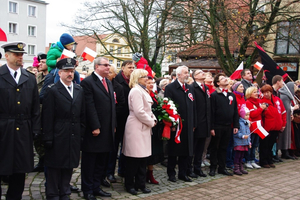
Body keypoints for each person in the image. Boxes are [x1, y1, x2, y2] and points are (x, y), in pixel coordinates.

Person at [0, 42, 40, 199]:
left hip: (23, 129)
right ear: (7, 56)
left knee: (19, 169)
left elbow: (35, 107)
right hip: (3, 128)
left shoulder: (29, 78)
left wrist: (35, 129)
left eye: (22, 54)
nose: (20, 57)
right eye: (17, 54)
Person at [42, 58, 85, 200]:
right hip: (58, 132)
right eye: (66, 71)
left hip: (74, 132)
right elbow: (47, 116)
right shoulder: (52, 90)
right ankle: (53, 193)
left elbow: (83, 114)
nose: (70, 74)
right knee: (55, 165)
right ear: (59, 73)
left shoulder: (79, 89)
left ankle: (65, 191)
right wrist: (47, 137)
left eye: (72, 71)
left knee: (69, 164)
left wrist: (81, 133)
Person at [80, 57, 116, 200]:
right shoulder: (88, 82)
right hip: (94, 130)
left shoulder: (107, 82)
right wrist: (95, 126)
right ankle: (87, 190)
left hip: (107, 129)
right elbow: (89, 106)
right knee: (90, 162)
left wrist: (113, 125)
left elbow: (111, 105)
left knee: (101, 161)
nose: (108, 67)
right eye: (105, 65)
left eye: (109, 65)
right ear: (97, 66)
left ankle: (96, 187)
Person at [122, 69, 157, 195]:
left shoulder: (143, 90)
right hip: (136, 127)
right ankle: (130, 185)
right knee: (134, 159)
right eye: (144, 76)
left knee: (143, 159)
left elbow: (148, 110)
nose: (147, 78)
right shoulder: (136, 90)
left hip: (144, 126)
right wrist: (151, 122)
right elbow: (139, 111)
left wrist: (153, 119)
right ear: (137, 78)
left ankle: (140, 184)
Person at [164, 65, 195, 182]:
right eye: (185, 73)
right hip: (176, 125)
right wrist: (171, 123)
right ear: (178, 75)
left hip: (188, 124)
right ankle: (171, 173)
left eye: (188, 72)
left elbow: (194, 106)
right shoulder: (171, 88)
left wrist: (194, 123)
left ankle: (183, 173)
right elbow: (168, 106)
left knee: (186, 150)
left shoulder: (189, 88)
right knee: (174, 150)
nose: (188, 75)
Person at [107, 60, 134, 181]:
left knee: (127, 146)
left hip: (129, 119)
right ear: (122, 68)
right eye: (129, 67)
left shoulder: (132, 82)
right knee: (113, 147)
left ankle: (122, 170)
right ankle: (110, 172)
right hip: (118, 119)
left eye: (133, 67)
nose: (132, 69)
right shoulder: (116, 81)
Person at [209, 73, 239, 176]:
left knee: (224, 147)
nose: (225, 80)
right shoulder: (214, 95)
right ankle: (213, 167)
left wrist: (235, 125)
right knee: (215, 147)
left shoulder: (231, 95)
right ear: (218, 83)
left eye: (225, 78)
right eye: (222, 79)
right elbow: (211, 112)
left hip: (228, 126)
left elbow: (235, 111)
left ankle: (222, 167)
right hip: (217, 125)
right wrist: (211, 127)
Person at [189, 69, 211, 177]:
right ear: (195, 76)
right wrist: (194, 123)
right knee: (193, 148)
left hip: (205, 123)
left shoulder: (205, 88)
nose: (203, 74)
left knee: (200, 148)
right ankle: (190, 169)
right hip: (197, 123)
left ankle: (197, 168)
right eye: (200, 73)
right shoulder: (192, 87)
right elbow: (192, 107)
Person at [106, 64, 125, 183]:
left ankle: (110, 172)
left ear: (114, 75)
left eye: (110, 72)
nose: (108, 74)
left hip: (116, 122)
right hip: (103, 122)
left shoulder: (118, 87)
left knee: (113, 149)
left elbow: (121, 104)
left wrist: (111, 114)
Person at [259, 84, 286, 168]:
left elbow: (283, 112)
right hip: (266, 127)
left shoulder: (277, 100)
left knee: (271, 144)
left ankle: (269, 159)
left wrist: (283, 124)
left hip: (276, 126)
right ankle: (263, 161)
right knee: (264, 145)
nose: (266, 94)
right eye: (264, 92)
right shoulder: (261, 102)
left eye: (267, 92)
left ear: (271, 92)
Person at [146, 77, 164, 184]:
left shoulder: (155, 95)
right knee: (147, 153)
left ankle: (150, 174)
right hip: (148, 126)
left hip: (156, 127)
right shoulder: (144, 94)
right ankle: (143, 174)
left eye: (152, 82)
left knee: (153, 153)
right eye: (149, 83)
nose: (151, 84)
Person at [32, 52, 48, 173]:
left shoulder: (51, 77)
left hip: (45, 112)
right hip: (37, 111)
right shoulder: (38, 77)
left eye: (43, 62)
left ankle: (44, 160)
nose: (40, 64)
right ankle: (41, 159)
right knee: (37, 138)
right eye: (40, 62)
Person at [245, 86, 267, 169]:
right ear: (250, 93)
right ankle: (248, 160)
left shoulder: (259, 102)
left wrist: (264, 108)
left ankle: (253, 160)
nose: (257, 94)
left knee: (255, 145)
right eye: (254, 92)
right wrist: (261, 109)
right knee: (250, 144)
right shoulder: (248, 102)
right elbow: (253, 114)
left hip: (258, 126)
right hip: (252, 126)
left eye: (257, 92)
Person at [278, 82, 299, 159]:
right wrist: (294, 108)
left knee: (289, 136)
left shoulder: (289, 96)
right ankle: (285, 151)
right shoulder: (285, 96)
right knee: (285, 135)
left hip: (289, 118)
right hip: (285, 118)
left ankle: (287, 150)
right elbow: (286, 108)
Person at [233, 106, 251, 175]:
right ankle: (236, 168)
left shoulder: (247, 123)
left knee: (242, 156)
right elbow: (237, 133)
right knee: (238, 155)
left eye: (248, 115)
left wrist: (249, 142)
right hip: (239, 142)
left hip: (245, 142)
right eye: (246, 115)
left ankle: (241, 167)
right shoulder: (239, 123)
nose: (247, 116)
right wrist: (243, 136)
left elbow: (248, 133)